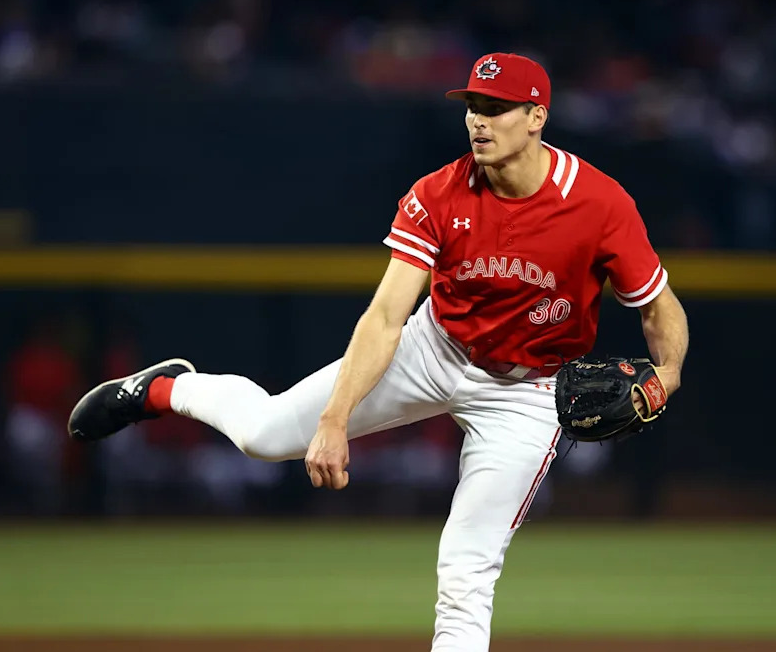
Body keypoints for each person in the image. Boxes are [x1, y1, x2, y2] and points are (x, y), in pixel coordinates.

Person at [67, 52, 690, 652]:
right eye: (473, 104)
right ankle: (166, 387)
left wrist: (666, 376)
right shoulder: (438, 195)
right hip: (433, 348)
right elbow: (386, 316)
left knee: (467, 569)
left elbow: (659, 306)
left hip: (525, 394)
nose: (479, 119)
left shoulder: (599, 203)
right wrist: (335, 421)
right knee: (264, 436)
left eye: (497, 107)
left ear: (536, 117)